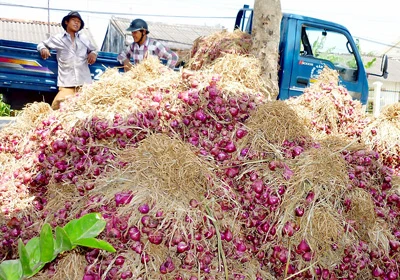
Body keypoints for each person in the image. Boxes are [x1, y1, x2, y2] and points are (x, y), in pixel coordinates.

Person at [37, 11, 97, 110]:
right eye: (74, 20)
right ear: (66, 22)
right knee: (58, 108)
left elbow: (94, 49)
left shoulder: (84, 39)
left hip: (84, 85)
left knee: (87, 112)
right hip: (66, 84)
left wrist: (93, 54)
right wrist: (43, 49)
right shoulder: (58, 38)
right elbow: (41, 44)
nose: (77, 23)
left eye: (79, 21)